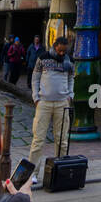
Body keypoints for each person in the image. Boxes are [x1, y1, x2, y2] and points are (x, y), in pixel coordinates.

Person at [28, 37, 74, 186]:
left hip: (62, 103)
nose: (62, 53)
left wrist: (70, 96)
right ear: (54, 46)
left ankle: (60, 169)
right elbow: (35, 77)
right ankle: (33, 173)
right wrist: (36, 97)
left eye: (64, 51)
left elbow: (71, 78)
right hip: (44, 102)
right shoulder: (43, 58)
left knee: (62, 139)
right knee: (38, 139)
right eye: (60, 50)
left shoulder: (69, 61)